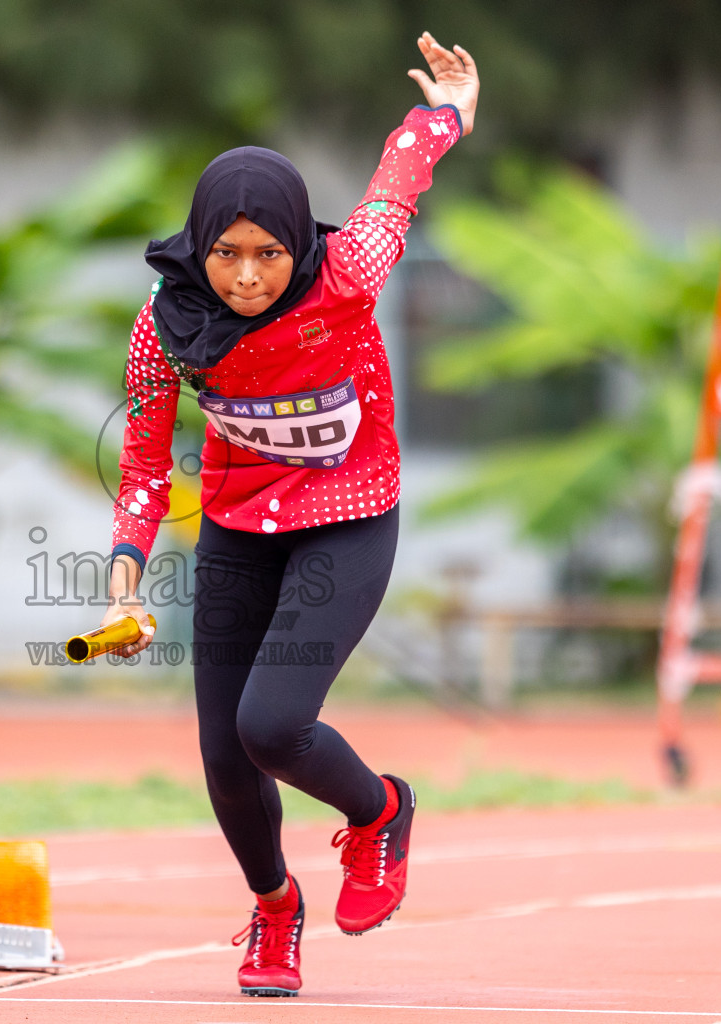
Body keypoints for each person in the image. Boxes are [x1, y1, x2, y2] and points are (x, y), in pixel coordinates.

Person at [97, 32, 479, 998]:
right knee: (225, 754)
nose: (249, 278)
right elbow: (144, 464)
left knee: (273, 723)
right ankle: (273, 911)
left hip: (348, 514)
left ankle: (380, 809)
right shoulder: (166, 325)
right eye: (226, 256)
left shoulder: (348, 274)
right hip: (237, 524)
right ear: (199, 247)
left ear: (298, 244)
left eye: (269, 254)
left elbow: (397, 183)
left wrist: (450, 111)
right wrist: (121, 585)